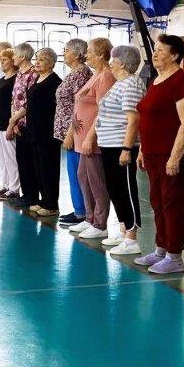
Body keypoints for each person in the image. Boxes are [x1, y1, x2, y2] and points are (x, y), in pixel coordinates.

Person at [133, 34, 184, 274]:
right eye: (155, 49)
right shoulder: (157, 80)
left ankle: (174, 256)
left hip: (170, 154)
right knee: (157, 202)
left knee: (172, 204)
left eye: (161, 50)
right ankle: (161, 249)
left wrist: (175, 156)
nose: (155, 53)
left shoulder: (182, 82)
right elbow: (148, 118)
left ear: (175, 55)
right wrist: (142, 149)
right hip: (152, 153)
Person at [82, 45, 145, 248]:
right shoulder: (120, 83)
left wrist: (127, 149)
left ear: (123, 63)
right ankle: (123, 229)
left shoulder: (131, 84)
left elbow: (133, 119)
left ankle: (132, 237)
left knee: (126, 189)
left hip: (120, 145)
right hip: (109, 144)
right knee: (115, 189)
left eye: (114, 60)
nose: (111, 63)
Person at [70, 38, 116, 242]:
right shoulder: (96, 75)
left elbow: (103, 110)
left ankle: (100, 223)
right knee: (83, 176)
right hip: (82, 139)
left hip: (93, 138)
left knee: (96, 180)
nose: (86, 55)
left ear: (101, 54)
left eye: (89, 52)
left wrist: (90, 137)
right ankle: (89, 218)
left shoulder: (106, 77)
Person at [54, 39, 91, 226]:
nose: (64, 53)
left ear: (78, 54)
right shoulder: (74, 73)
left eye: (66, 50)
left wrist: (70, 134)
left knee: (78, 173)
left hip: (76, 131)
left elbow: (79, 106)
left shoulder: (82, 74)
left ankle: (82, 212)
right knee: (73, 172)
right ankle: (79, 209)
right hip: (69, 131)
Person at [23, 48, 63, 216]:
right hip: (35, 130)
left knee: (49, 168)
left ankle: (51, 204)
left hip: (47, 131)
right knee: (39, 167)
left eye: (42, 59)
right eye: (37, 59)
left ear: (51, 63)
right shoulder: (38, 78)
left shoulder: (55, 81)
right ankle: (44, 199)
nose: (37, 62)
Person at [6, 43, 39, 206]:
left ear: (23, 56)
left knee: (29, 161)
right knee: (21, 160)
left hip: (27, 123)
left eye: (15, 55)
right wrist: (14, 121)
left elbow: (29, 102)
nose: (13, 58)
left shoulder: (33, 74)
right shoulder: (19, 73)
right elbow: (14, 99)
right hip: (18, 122)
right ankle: (25, 193)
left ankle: (32, 195)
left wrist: (13, 120)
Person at [0, 48, 20, 199]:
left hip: (8, 122)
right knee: (3, 157)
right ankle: (6, 184)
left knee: (11, 157)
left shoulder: (15, 79)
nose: (1, 62)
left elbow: (14, 103)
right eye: (0, 60)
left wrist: (12, 124)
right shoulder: (2, 79)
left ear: (12, 61)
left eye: (4, 60)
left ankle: (14, 188)